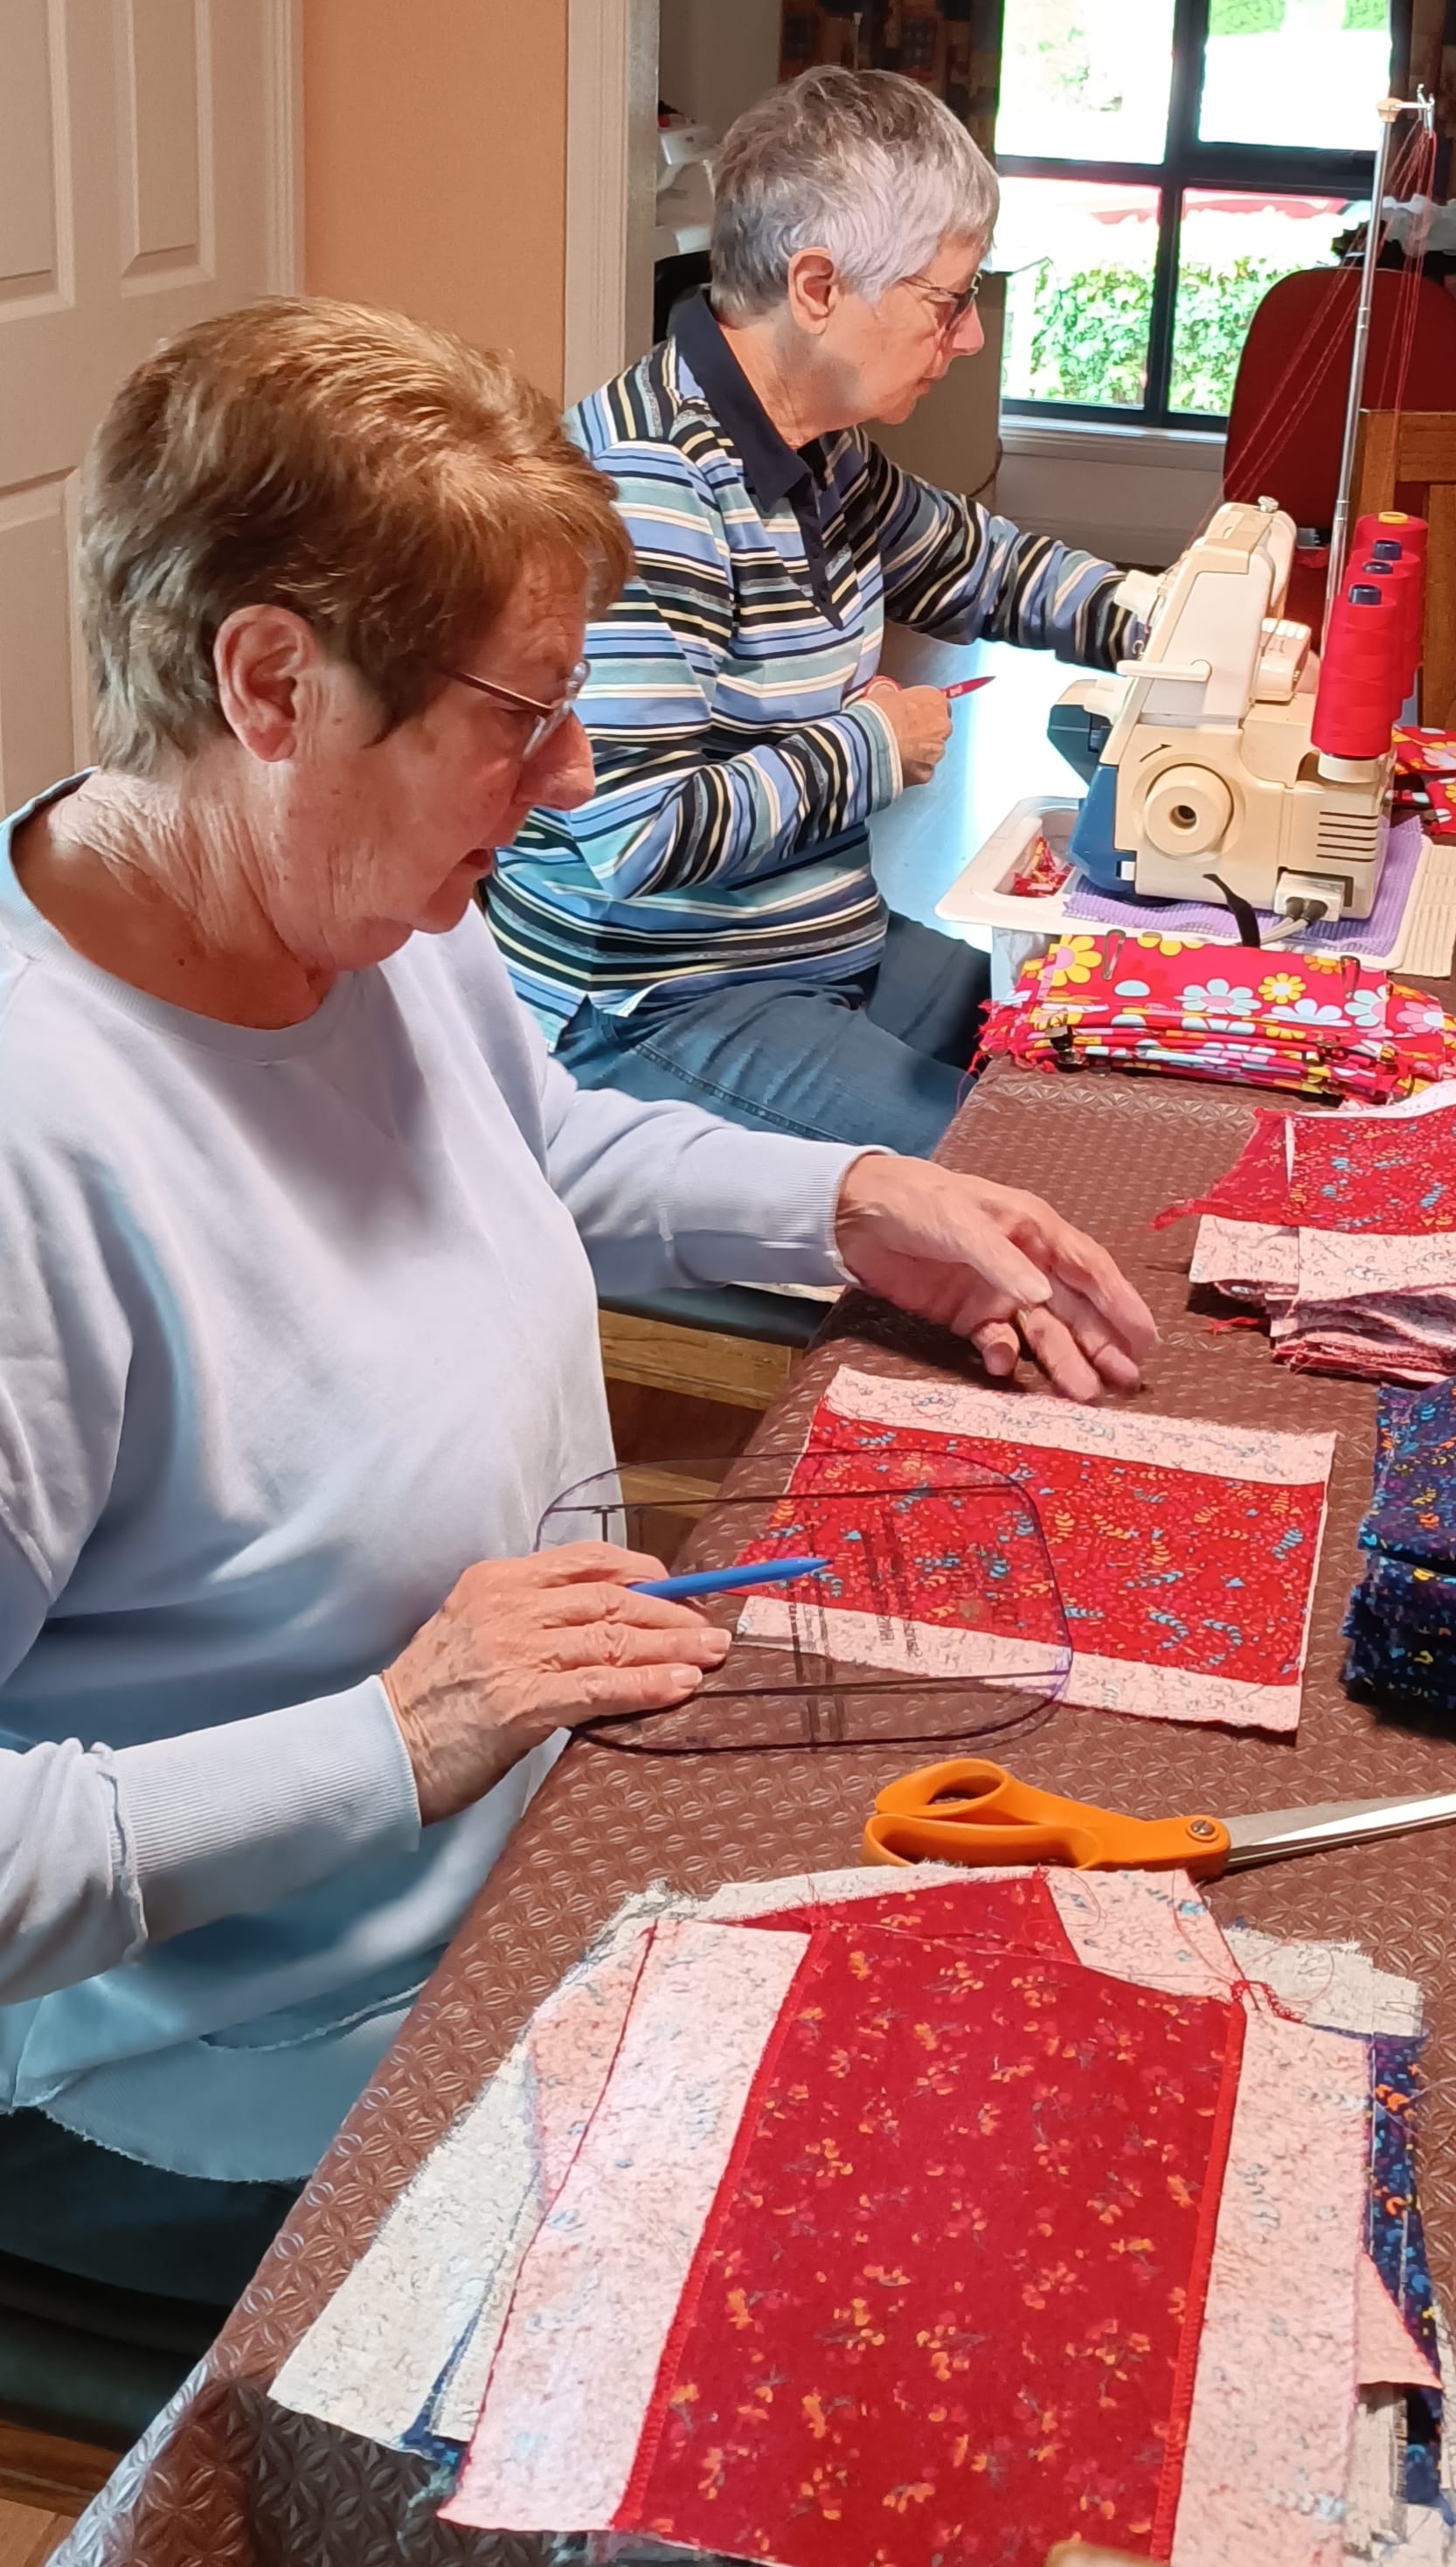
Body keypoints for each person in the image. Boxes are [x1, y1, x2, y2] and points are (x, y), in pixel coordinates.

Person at [0, 297, 1152, 2317]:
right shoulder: (41, 1146)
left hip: (544, 1843)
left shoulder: (362, 910)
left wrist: (846, 1203)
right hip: (237, 2060)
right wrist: (399, 1733)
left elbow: (536, 1144)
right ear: (269, 683)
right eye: (519, 713)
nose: (572, 771)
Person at [489, 68, 1146, 1151]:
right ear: (817, 285)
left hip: (812, 948)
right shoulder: (648, 488)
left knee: (1091, 1062)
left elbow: (971, 560)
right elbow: (641, 833)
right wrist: (872, 743)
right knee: (1019, 1160)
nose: (967, 337)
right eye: (946, 300)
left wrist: (1153, 614)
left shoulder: (816, 450)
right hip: (656, 999)